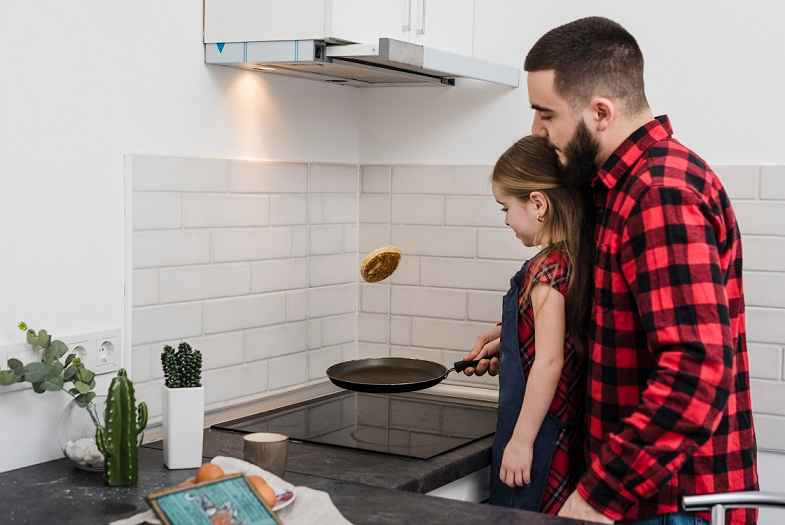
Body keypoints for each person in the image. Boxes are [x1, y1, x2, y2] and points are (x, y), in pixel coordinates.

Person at [465, 16, 759, 525]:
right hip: (650, 498)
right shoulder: (619, 188)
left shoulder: (660, 193)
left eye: (546, 114)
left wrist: (600, 493)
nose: (537, 130)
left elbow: (694, 372)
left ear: (600, 112)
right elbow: (627, 328)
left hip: (670, 503)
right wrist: (519, 337)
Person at [468, 134, 593, 514]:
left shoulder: (546, 271)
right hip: (562, 435)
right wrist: (508, 339)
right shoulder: (573, 258)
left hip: (539, 437)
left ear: (537, 203)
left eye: (505, 207)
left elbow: (550, 361)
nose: (506, 220)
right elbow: (560, 338)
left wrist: (521, 440)